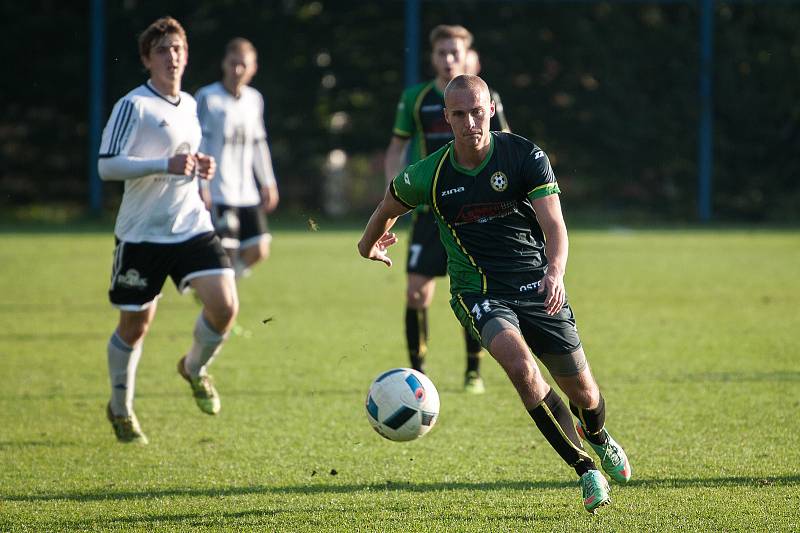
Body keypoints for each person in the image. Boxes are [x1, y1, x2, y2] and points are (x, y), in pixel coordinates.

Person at [359, 75, 631, 513]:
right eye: (459, 114)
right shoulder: (430, 174)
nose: (470, 122)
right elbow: (388, 204)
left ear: (490, 109)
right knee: (521, 367)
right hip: (479, 292)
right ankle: (585, 469)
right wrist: (367, 243)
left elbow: (554, 224)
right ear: (446, 119)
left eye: (477, 111)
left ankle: (598, 437)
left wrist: (556, 272)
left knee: (585, 395)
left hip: (538, 285)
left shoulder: (524, 155)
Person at [98, 16, 239, 444]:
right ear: (147, 59)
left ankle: (193, 368)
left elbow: (186, 158)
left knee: (225, 306)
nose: (171, 57)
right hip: (142, 234)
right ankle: (121, 408)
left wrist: (201, 170)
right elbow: (107, 166)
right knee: (135, 326)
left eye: (177, 49)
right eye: (162, 50)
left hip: (190, 224)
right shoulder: (133, 106)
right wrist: (166, 165)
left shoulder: (192, 104)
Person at [384, 25, 510, 394]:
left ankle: (473, 371)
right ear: (433, 56)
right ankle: (417, 373)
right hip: (430, 211)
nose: (448, 59)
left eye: (455, 52)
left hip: (474, 211)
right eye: (441, 53)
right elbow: (396, 148)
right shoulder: (416, 98)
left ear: (468, 55)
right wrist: (396, 192)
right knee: (416, 293)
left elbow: (505, 144)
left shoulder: (485, 96)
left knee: (474, 291)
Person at [195, 38, 279, 280]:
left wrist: (268, 182)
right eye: (233, 64)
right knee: (225, 253)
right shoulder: (208, 97)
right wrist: (202, 185)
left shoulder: (254, 99)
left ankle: (218, 290)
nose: (237, 70)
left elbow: (258, 144)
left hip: (247, 192)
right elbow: (199, 143)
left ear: (253, 68)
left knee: (260, 248)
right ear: (224, 64)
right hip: (219, 191)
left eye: (243, 65)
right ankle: (220, 302)